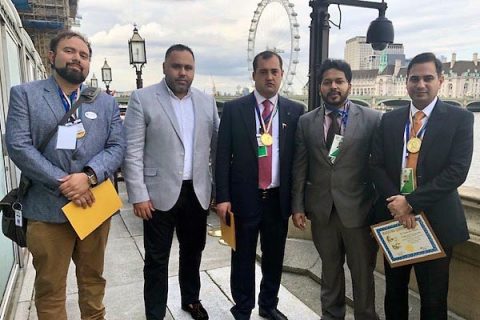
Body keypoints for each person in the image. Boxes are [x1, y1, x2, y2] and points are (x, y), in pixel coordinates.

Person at [5, 31, 126, 320]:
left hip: (94, 207)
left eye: (84, 55)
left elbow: (117, 146)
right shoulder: (25, 94)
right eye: (70, 51)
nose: (77, 59)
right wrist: (65, 182)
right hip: (47, 210)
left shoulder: (105, 103)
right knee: (49, 287)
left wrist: (89, 176)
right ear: (52, 56)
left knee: (93, 280)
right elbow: (18, 146)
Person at [370, 52, 474, 319]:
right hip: (395, 220)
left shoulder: (460, 119)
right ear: (406, 82)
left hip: (437, 222)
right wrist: (398, 203)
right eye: (414, 78)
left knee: (434, 299)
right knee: (394, 292)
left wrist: (411, 202)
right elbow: (376, 165)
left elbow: (457, 171)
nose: (421, 84)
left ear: (440, 80)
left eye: (428, 78)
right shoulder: (389, 120)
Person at [122, 44, 219, 320]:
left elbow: (217, 147)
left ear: (194, 71)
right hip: (157, 194)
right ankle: (154, 313)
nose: (182, 73)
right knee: (156, 259)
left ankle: (190, 299)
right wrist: (138, 194)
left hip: (197, 191)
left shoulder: (206, 102)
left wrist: (214, 188)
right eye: (177, 66)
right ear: (165, 67)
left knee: (193, 252)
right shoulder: (143, 99)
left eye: (188, 68)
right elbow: (132, 150)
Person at [215, 50, 304, 320]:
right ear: (253, 75)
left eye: (274, 71)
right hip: (244, 198)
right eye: (263, 71)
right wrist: (222, 197)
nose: (269, 76)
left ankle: (268, 305)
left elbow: (299, 161)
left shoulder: (295, 110)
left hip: (278, 200)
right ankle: (242, 308)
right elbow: (221, 157)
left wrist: (298, 202)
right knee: (241, 258)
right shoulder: (233, 109)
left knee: (274, 258)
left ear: (281, 75)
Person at [291, 59, 381, 320]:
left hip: (359, 211)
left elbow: (380, 166)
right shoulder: (306, 122)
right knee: (330, 271)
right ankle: (331, 316)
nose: (334, 86)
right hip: (322, 212)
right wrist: (297, 206)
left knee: (363, 273)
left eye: (339, 81)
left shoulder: (373, 119)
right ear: (319, 87)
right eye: (327, 82)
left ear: (349, 85)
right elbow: (300, 167)